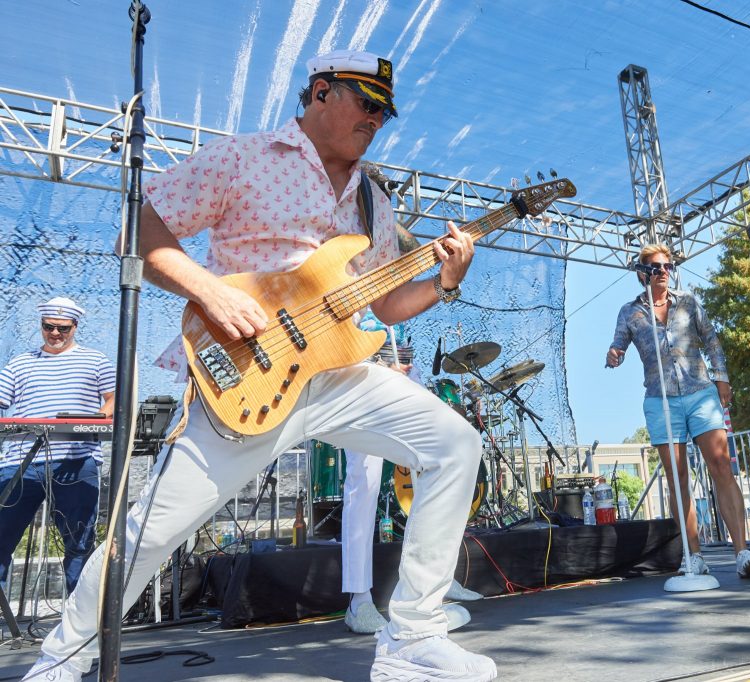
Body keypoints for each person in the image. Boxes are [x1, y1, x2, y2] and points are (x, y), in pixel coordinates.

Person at [23, 49, 496, 682]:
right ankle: (61, 659)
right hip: (247, 377)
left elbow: (384, 303)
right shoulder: (244, 157)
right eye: (367, 103)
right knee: (150, 532)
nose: (377, 119)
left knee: (455, 444)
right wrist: (210, 291)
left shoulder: (373, 202)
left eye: (386, 111)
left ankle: (412, 638)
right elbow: (140, 232)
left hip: (339, 373)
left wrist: (444, 281)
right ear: (321, 92)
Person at [606, 244, 750, 579]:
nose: (663, 270)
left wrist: (721, 378)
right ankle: (693, 555)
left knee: (721, 464)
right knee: (677, 479)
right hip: (660, 398)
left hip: (700, 392)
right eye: (656, 267)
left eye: (667, 265)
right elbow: (618, 342)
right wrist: (614, 353)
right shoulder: (629, 311)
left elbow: (712, 340)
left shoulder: (688, 301)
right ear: (642, 273)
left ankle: (743, 551)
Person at [341, 315, 480, 636]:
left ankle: (433, 585)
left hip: (402, 367)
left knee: (440, 458)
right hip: (361, 371)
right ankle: (358, 601)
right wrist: (372, 358)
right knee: (364, 478)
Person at [0, 298, 115, 596]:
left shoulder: (95, 360)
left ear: (75, 326)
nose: (54, 333)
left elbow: (115, 398)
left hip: (76, 461)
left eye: (62, 328)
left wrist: (101, 415)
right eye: (48, 327)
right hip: (20, 461)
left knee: (79, 542)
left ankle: (80, 619)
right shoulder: (20, 362)